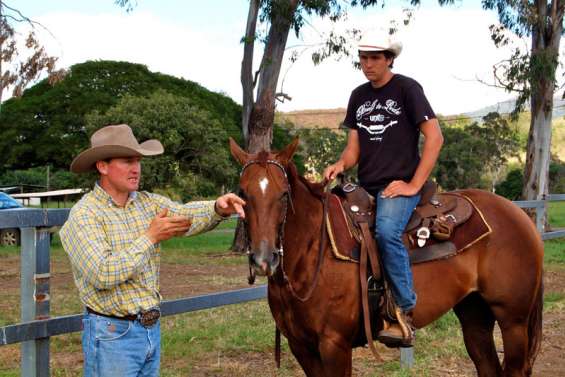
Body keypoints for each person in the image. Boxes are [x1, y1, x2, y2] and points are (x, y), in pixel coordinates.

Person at [59, 124, 245, 376]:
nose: (136, 168)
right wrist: (150, 237)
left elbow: (184, 214)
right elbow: (102, 273)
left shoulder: (146, 203)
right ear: (102, 166)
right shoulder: (84, 215)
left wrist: (217, 208)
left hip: (148, 329)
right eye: (127, 161)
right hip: (112, 334)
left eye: (137, 161)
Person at [323, 30, 443, 347]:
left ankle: (403, 312)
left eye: (375, 58)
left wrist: (413, 184)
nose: (368, 64)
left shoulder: (407, 89)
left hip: (398, 186)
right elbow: (354, 149)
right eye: (363, 58)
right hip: (365, 186)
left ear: (389, 59)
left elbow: (435, 138)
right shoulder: (358, 96)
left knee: (387, 232)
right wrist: (340, 165)